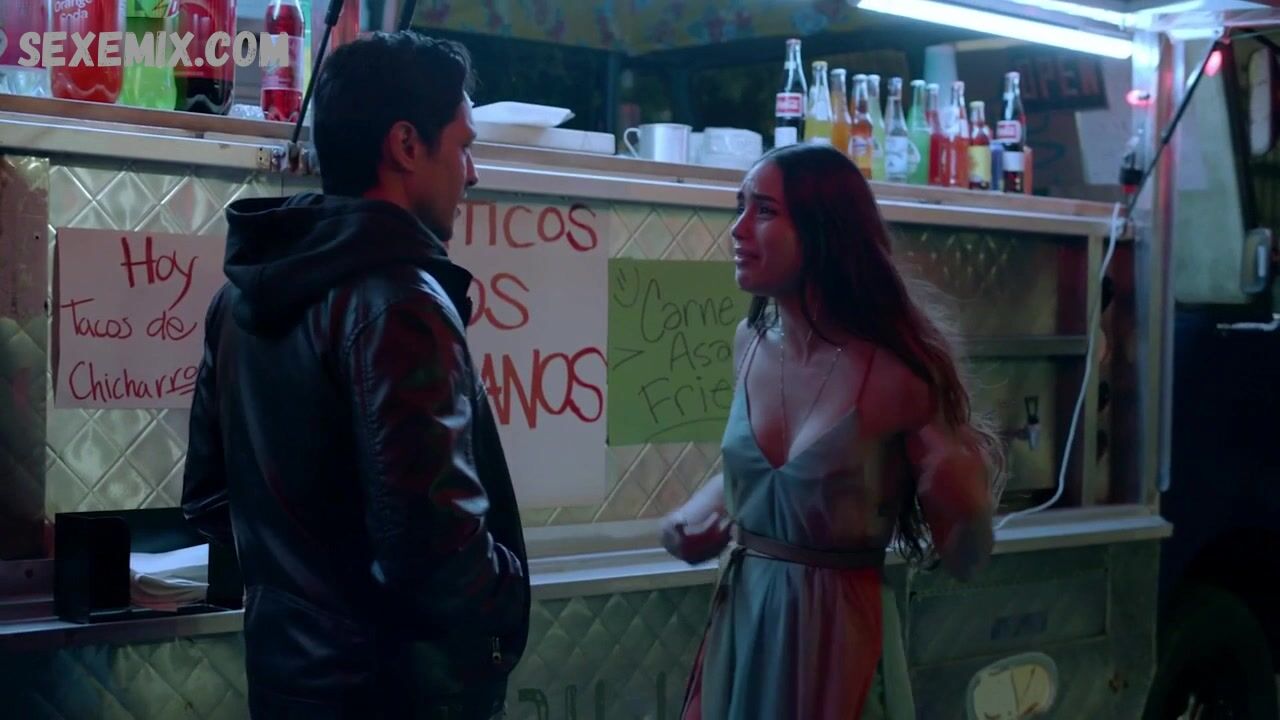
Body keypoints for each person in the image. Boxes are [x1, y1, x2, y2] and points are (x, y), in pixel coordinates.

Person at [181, 32, 529, 720]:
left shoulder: (239, 298)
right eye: (463, 146)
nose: (473, 173)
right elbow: (435, 555)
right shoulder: (402, 305)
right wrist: (507, 603)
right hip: (398, 696)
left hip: (287, 685)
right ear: (406, 145)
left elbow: (208, 500)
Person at [662, 143, 1005, 719]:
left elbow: (967, 561)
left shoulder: (896, 373)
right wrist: (681, 527)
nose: (738, 230)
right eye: (739, 207)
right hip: (744, 623)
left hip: (837, 637)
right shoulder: (750, 345)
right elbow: (759, 479)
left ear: (824, 232)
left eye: (764, 211)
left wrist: (965, 499)